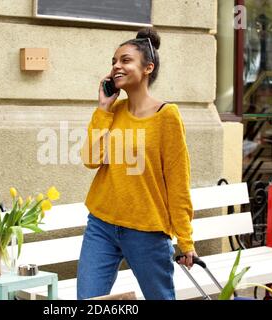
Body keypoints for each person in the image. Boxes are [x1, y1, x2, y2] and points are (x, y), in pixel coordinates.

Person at [78, 27, 197, 300]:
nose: (116, 66)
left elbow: (178, 182)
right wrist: (102, 108)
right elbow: (90, 160)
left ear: (147, 68)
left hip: (147, 231)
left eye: (125, 60)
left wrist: (185, 240)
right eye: (114, 61)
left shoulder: (167, 116)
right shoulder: (112, 112)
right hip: (102, 225)